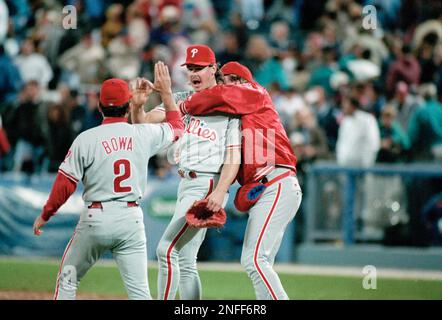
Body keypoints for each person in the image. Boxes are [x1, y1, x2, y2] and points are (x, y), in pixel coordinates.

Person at [32, 66, 184, 300]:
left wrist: (46, 214)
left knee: (68, 282)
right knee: (140, 293)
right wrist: (165, 94)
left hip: (96, 219)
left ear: (100, 106)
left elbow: (65, 184)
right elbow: (177, 128)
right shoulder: (144, 134)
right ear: (128, 103)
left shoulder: (86, 139)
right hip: (130, 220)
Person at [180, 61, 302, 300]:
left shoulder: (255, 93)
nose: (223, 86)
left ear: (238, 80)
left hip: (277, 181)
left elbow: (220, 94)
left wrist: (184, 105)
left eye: (225, 79)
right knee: (259, 262)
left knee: (254, 259)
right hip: (269, 186)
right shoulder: (241, 115)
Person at [131, 46, 242, 300]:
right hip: (186, 182)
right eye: (190, 68)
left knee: (165, 250)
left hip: (207, 183)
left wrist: (221, 190)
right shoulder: (181, 98)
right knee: (186, 259)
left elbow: (233, 156)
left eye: (199, 67)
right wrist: (137, 107)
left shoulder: (228, 104)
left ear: (214, 68)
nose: (194, 73)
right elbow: (144, 124)